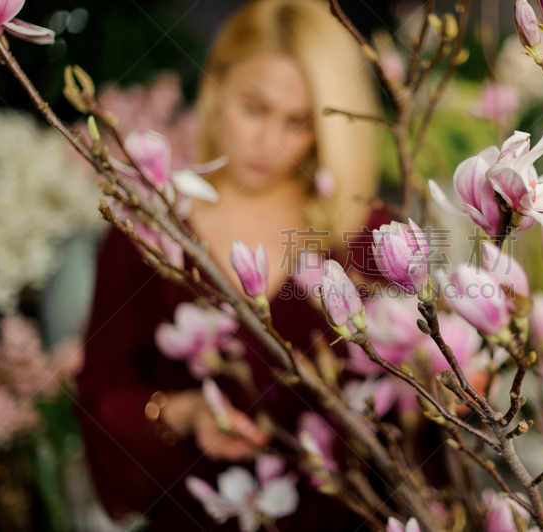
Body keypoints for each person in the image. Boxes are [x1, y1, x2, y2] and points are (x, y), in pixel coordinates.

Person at [76, 1, 383, 530]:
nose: (270, 142)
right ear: (215, 85)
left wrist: (455, 386)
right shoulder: (147, 230)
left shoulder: (368, 237)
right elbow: (101, 398)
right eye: (254, 108)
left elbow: (415, 411)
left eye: (298, 122)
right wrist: (181, 412)